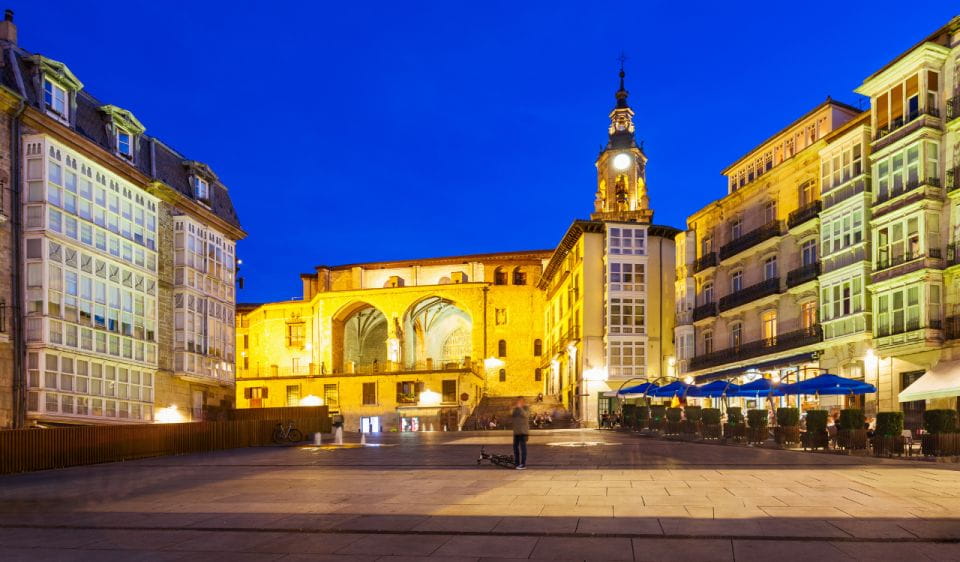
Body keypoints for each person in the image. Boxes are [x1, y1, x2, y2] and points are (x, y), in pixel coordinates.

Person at [511, 397, 530, 469]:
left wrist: (520, 408)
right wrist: (512, 408)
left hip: (523, 431)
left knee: (523, 448)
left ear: (523, 402)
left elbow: (526, 415)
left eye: (520, 401)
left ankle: (523, 464)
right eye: (517, 401)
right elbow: (511, 415)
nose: (518, 402)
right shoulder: (516, 409)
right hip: (516, 432)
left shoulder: (526, 408)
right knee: (515, 448)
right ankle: (517, 463)